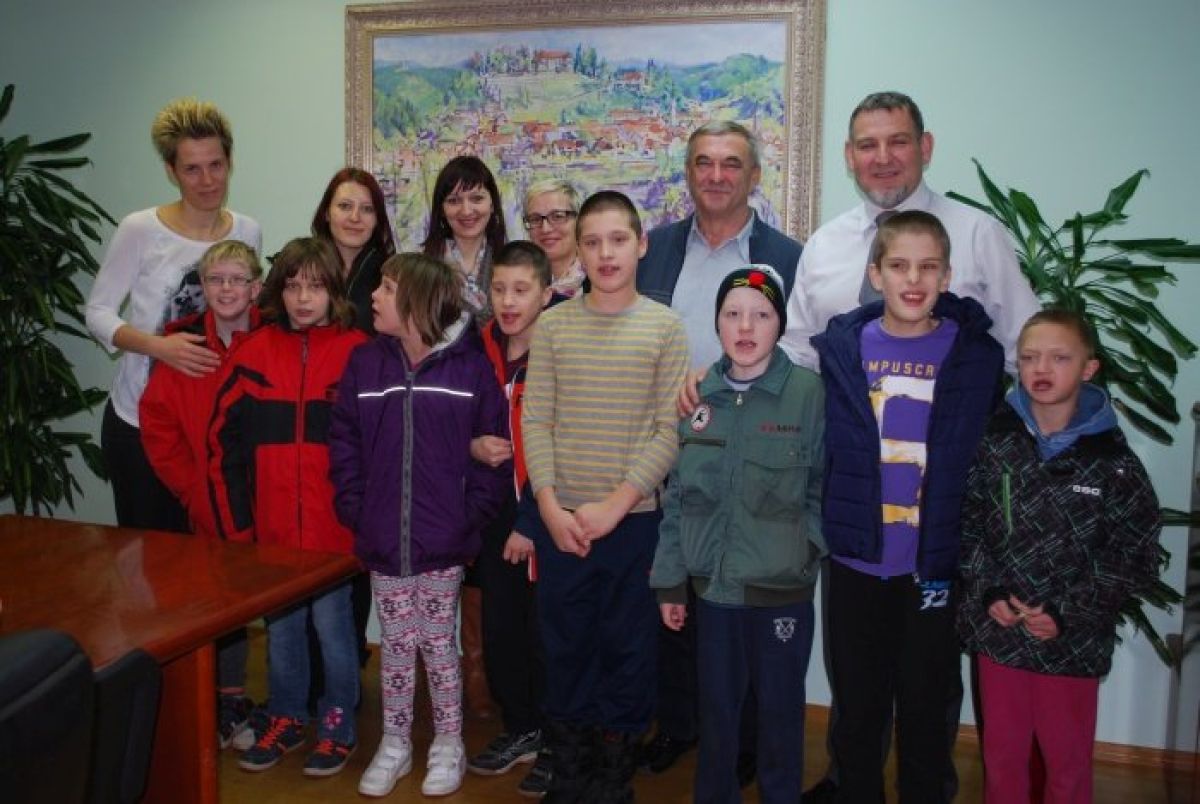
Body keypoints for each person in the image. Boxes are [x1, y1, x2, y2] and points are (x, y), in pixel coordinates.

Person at [781, 91, 1040, 804]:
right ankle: (851, 783)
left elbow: (1026, 354)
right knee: (857, 692)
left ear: (925, 147)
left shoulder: (977, 235)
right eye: (868, 144)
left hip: (939, 534)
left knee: (929, 695)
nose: (883, 157)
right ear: (849, 156)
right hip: (857, 524)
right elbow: (796, 356)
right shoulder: (827, 247)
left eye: (898, 141)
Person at [810, 210, 1004, 804]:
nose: (913, 279)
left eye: (927, 267)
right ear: (876, 274)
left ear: (947, 276)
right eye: (898, 265)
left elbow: (989, 463)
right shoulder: (842, 347)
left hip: (934, 566)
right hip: (857, 561)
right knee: (857, 709)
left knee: (927, 708)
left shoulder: (977, 357)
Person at [638, 120, 803, 778]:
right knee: (675, 592)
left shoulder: (785, 256)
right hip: (667, 450)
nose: (716, 175)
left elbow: (798, 354)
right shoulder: (655, 250)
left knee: (742, 599)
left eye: (731, 163)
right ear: (687, 172)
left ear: (754, 175)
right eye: (703, 162)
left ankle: (744, 742)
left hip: (750, 454)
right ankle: (678, 724)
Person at [523, 190, 689, 801]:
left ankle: (613, 780)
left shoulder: (664, 327)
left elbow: (668, 431)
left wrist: (618, 503)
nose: (605, 253)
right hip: (561, 523)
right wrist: (548, 506)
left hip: (633, 523)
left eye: (618, 239)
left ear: (641, 244)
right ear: (578, 250)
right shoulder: (554, 324)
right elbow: (536, 420)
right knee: (566, 649)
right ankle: (571, 774)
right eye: (591, 242)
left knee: (628, 651)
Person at [958, 309, 1162, 804]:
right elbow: (967, 524)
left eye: (1059, 358)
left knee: (1066, 768)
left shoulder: (1114, 464)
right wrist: (989, 591)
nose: (1041, 368)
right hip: (1000, 635)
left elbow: (1135, 554)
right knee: (1002, 762)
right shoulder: (994, 443)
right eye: (1029, 358)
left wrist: (1066, 612)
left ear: (1089, 368)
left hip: (1072, 641)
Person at [329, 252, 510, 798]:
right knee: (395, 645)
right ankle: (395, 742)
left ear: (417, 301)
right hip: (383, 538)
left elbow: (493, 453)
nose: (374, 296)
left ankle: (449, 742)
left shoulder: (469, 369)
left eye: (386, 288)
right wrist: (357, 509)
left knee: (437, 642)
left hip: (442, 542)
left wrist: (467, 520)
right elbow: (344, 442)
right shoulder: (365, 364)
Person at [650, 264, 824, 804]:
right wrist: (670, 582)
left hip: (781, 595)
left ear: (780, 324)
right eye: (732, 314)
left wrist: (805, 552)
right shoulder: (698, 395)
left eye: (761, 315)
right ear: (717, 322)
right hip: (714, 594)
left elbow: (826, 486)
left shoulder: (809, 394)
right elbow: (678, 496)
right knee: (717, 717)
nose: (745, 327)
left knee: (780, 719)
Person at [207, 237, 368, 778]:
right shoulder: (252, 353)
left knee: (334, 632)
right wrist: (238, 528)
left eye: (315, 287)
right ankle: (286, 716)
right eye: (294, 286)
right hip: (272, 535)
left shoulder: (358, 353)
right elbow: (221, 448)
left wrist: (362, 523)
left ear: (334, 292)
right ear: (278, 291)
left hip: (334, 536)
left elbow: (378, 448)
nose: (303, 299)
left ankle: (338, 722)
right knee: (281, 633)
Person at [85, 97, 261, 531]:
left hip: (214, 428)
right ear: (171, 171)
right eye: (192, 169)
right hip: (140, 423)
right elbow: (98, 312)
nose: (207, 180)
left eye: (216, 165)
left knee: (215, 558)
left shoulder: (248, 231)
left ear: (230, 162)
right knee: (148, 559)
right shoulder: (141, 229)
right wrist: (159, 347)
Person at [138, 239, 263, 750]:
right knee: (219, 600)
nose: (227, 289)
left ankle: (291, 703)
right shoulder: (182, 348)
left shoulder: (275, 340)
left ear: (256, 288)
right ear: (203, 287)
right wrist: (192, 490)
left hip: (272, 500)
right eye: (216, 280)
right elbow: (158, 426)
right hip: (211, 503)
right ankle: (227, 699)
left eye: (237, 280)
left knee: (277, 600)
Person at [466, 241, 558, 797]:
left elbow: (568, 441)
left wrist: (533, 520)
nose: (508, 301)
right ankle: (521, 726)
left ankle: (556, 741)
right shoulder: (476, 349)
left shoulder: (561, 350)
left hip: (548, 510)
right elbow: (452, 419)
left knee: (548, 633)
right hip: (493, 513)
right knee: (502, 629)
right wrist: (473, 446)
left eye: (521, 290)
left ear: (546, 294)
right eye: (498, 289)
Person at [311, 167, 397, 333]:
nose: (355, 217)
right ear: (326, 213)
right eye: (345, 206)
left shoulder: (393, 276)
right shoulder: (299, 264)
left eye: (367, 209)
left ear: (377, 219)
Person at [422, 155, 508, 318]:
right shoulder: (421, 266)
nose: (466, 211)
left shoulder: (510, 261)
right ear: (442, 210)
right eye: (454, 201)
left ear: (492, 204)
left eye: (477, 198)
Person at [523, 179, 586, 298]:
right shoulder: (518, 283)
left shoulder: (601, 279)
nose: (545, 229)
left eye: (557, 216)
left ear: (579, 221)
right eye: (535, 219)